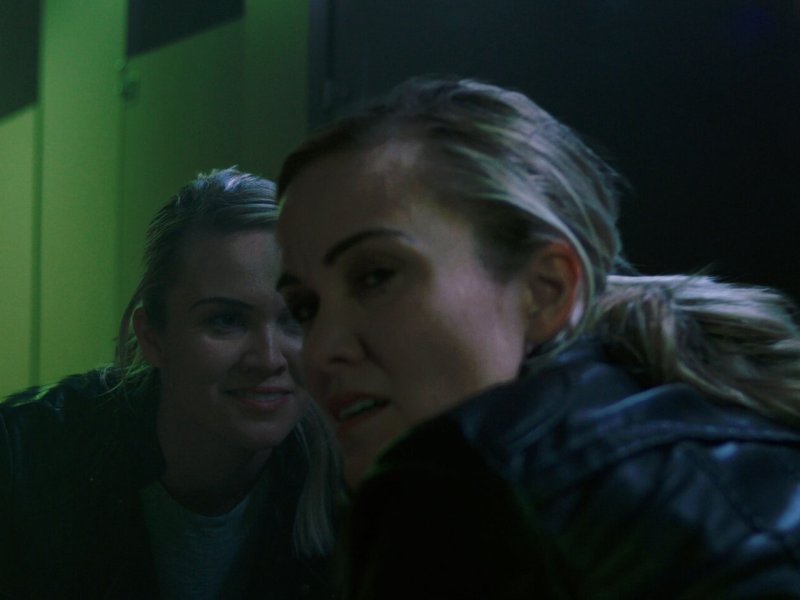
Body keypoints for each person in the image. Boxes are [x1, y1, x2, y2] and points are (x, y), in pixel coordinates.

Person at [274, 76, 800, 598]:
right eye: (305, 308)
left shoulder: (460, 491)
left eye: (375, 277)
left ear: (545, 291)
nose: (319, 352)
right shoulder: (710, 438)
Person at [0, 168, 341, 599]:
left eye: (295, 318)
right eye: (226, 320)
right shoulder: (23, 463)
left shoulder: (355, 481)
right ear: (153, 338)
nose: (269, 359)